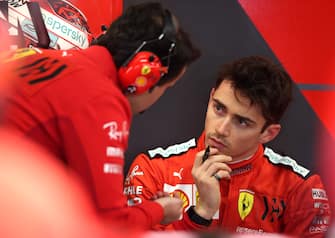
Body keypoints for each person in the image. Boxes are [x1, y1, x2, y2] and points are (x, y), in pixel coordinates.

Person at [1, 2, 200, 230]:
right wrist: (161, 210)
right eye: (167, 88)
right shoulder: (101, 98)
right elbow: (111, 225)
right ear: (146, 73)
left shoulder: (47, 60)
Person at [124, 56, 331, 236]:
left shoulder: (299, 189)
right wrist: (201, 214)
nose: (221, 129)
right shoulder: (153, 171)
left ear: (269, 133)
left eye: (242, 122)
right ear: (210, 98)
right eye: (219, 108)